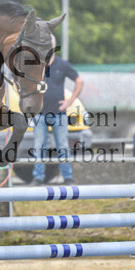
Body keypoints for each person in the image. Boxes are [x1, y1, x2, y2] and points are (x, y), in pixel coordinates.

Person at [31, 35, 84, 185]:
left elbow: (79, 81)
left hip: (58, 113)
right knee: (38, 147)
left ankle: (68, 177)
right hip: (39, 114)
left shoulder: (62, 64)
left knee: (63, 146)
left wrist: (70, 100)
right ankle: (38, 177)